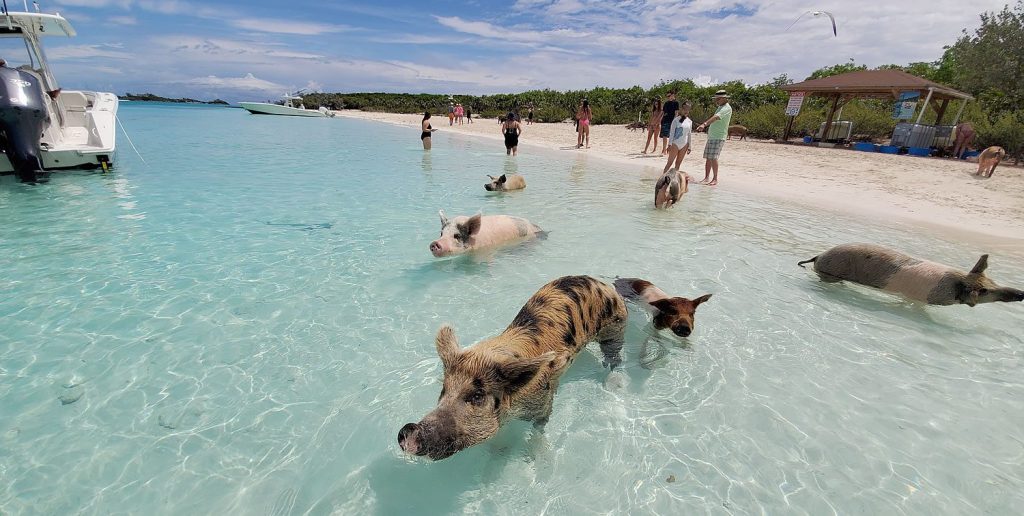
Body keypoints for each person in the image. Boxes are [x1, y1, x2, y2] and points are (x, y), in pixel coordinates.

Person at [695, 90, 733, 186]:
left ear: (724, 98)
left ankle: (715, 179)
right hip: (712, 136)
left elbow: (716, 117)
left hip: (719, 136)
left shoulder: (726, 108)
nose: (717, 100)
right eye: (716, 99)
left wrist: (704, 124)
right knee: (708, 157)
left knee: (713, 157)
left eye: (718, 99)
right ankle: (706, 177)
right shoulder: (720, 107)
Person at [663, 101, 692, 174]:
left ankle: (674, 179)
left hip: (684, 145)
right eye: (685, 109)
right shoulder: (676, 120)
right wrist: (669, 144)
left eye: (688, 109)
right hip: (675, 143)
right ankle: (662, 178)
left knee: (678, 164)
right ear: (681, 109)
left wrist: (689, 146)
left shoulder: (689, 121)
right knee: (669, 163)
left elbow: (689, 134)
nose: (686, 111)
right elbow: (672, 133)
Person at [659, 91, 679, 155]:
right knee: (664, 135)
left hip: (672, 121)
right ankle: (664, 150)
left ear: (673, 95)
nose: (668, 97)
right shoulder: (666, 103)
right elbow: (663, 113)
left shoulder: (676, 103)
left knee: (672, 135)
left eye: (669, 96)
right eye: (667, 96)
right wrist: (659, 120)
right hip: (665, 121)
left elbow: (676, 113)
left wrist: (674, 121)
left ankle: (671, 149)